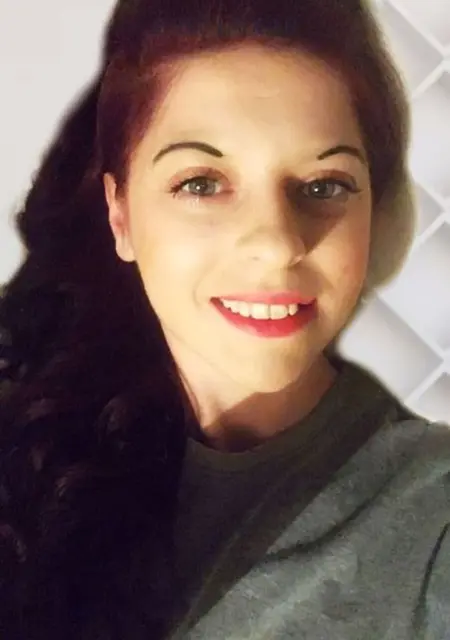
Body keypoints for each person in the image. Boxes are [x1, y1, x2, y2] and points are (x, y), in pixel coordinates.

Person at [0, 0, 448, 638]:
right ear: (121, 216)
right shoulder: (26, 448)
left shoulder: (431, 514)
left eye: (324, 186)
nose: (277, 244)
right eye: (202, 183)